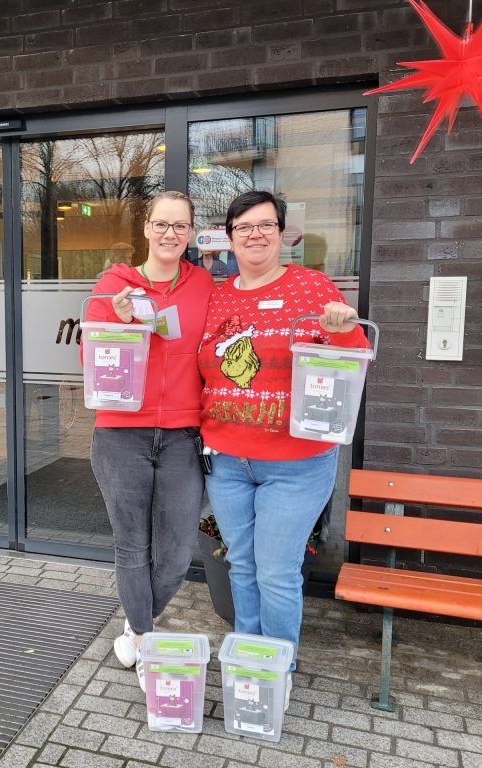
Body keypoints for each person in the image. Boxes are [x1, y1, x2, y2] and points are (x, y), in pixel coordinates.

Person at [198, 190, 367, 702]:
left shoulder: (311, 288)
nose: (255, 234)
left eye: (265, 225)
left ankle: (277, 670)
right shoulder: (216, 296)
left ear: (281, 233)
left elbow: (353, 357)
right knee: (243, 565)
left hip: (296, 463)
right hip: (227, 461)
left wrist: (343, 331)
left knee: (275, 571)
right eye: (244, 227)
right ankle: (249, 661)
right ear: (230, 238)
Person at [86, 191, 214, 688]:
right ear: (146, 228)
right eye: (161, 224)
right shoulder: (113, 285)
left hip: (183, 432)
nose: (169, 234)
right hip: (122, 433)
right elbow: (90, 359)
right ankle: (143, 638)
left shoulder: (203, 284)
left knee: (177, 553)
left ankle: (136, 623)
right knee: (132, 544)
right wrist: (117, 322)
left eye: (180, 226)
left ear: (190, 233)